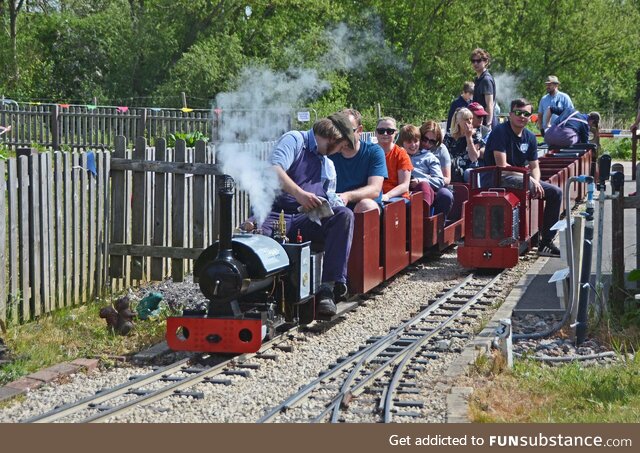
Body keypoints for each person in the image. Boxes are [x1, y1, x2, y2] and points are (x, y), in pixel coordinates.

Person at [261, 113, 356, 316]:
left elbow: (328, 193)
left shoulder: (326, 163)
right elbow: (273, 170)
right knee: (257, 240)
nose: (339, 152)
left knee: (343, 216)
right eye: (340, 147)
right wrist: (300, 194)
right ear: (333, 138)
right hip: (278, 213)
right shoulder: (295, 140)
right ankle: (260, 296)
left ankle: (328, 288)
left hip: (306, 218)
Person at [484, 98, 562, 257]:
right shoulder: (500, 132)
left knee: (556, 193)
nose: (522, 116)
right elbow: (502, 166)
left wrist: (536, 181)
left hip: (521, 178)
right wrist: (530, 180)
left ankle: (546, 241)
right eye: (518, 113)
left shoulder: (530, 137)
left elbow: (534, 166)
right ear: (511, 114)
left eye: (527, 114)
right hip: (497, 177)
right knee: (530, 184)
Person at [330, 108, 388, 213]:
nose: (342, 136)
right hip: (336, 207)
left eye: (348, 131)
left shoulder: (374, 152)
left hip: (362, 207)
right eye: (339, 131)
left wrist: (347, 196)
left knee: (366, 205)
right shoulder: (330, 153)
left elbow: (375, 189)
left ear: (360, 130)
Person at [400, 124, 453, 219]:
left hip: (423, 190)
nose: (413, 145)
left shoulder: (429, 157)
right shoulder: (399, 155)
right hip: (403, 189)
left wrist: (420, 180)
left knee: (424, 186)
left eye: (432, 141)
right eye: (425, 139)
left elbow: (440, 180)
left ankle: (424, 221)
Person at [375, 117, 413, 203]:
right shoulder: (369, 152)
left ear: (395, 133)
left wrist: (387, 196)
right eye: (381, 131)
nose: (385, 134)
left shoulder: (401, 154)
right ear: (376, 133)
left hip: (397, 197)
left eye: (389, 131)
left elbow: (404, 185)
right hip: (375, 195)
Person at [443, 107, 482, 182]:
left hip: (469, 167)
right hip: (452, 168)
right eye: (466, 119)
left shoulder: (476, 134)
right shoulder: (449, 136)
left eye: (471, 118)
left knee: (469, 173)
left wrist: (469, 137)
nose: (470, 122)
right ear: (458, 121)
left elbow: (474, 158)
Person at [470, 48, 498, 129]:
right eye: (473, 61)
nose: (475, 63)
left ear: (486, 62)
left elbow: (489, 104)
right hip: (478, 121)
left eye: (478, 61)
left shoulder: (486, 79)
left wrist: (488, 124)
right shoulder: (478, 79)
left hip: (485, 123)